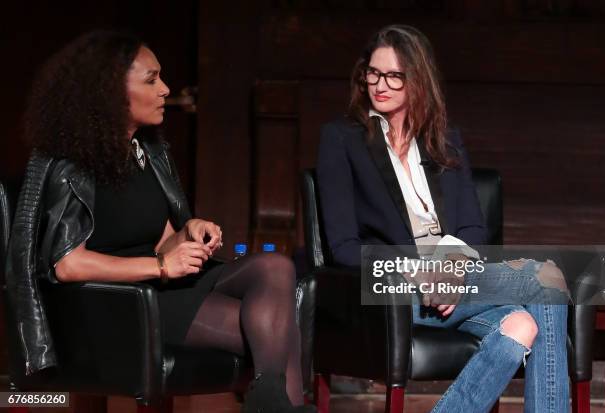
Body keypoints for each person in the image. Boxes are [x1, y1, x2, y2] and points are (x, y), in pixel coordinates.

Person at [10, 30, 315, 413]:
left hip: (161, 286)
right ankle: (275, 403)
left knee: (275, 267)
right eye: (152, 80)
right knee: (275, 329)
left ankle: (270, 402)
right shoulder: (70, 165)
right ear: (109, 90)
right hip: (118, 303)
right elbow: (68, 264)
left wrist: (189, 233)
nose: (166, 90)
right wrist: (159, 266)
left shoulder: (148, 152)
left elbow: (162, 241)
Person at [317, 25, 569, 412]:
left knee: (522, 327)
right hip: (394, 288)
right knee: (547, 279)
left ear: (418, 81)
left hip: (456, 281)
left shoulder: (444, 139)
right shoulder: (341, 139)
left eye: (394, 76)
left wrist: (450, 269)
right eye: (373, 72)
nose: (379, 84)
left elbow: (471, 228)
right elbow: (343, 248)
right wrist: (419, 272)